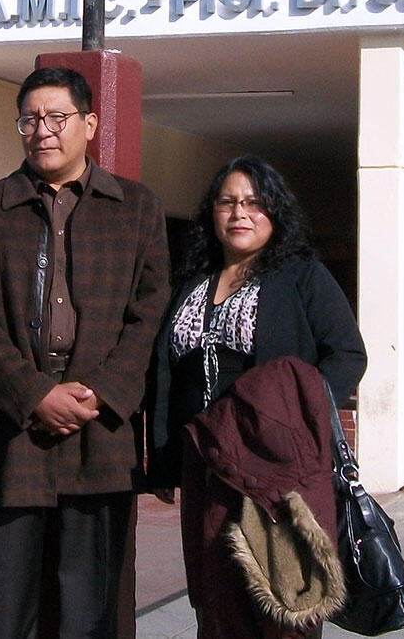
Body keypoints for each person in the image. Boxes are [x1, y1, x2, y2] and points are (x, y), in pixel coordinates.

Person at [0, 66, 171, 639]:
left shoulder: (137, 208)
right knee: (13, 608)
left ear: (90, 124)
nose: (42, 130)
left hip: (101, 431)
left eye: (57, 117)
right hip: (15, 431)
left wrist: (101, 392)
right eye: (30, 118)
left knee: (95, 605)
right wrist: (33, 394)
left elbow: (149, 313)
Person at [146, 155, 367, 638]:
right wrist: (163, 460)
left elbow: (347, 354)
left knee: (282, 604)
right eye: (227, 202)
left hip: (275, 469)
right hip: (205, 469)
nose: (239, 213)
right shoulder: (191, 283)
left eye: (253, 203)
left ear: (275, 213)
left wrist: (295, 418)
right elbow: (166, 373)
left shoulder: (302, 275)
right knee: (215, 599)